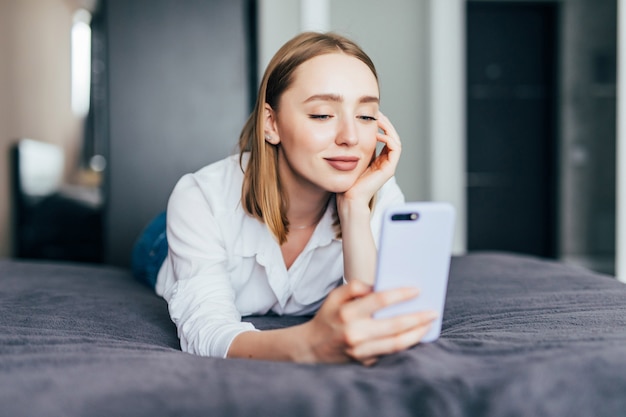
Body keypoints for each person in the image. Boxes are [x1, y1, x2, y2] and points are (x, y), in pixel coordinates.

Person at [132, 31, 437, 365]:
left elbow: (372, 323)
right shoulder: (200, 197)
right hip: (165, 242)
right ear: (271, 123)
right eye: (322, 114)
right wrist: (306, 344)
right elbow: (207, 331)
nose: (351, 137)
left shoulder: (375, 192)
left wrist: (353, 208)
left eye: (365, 116)